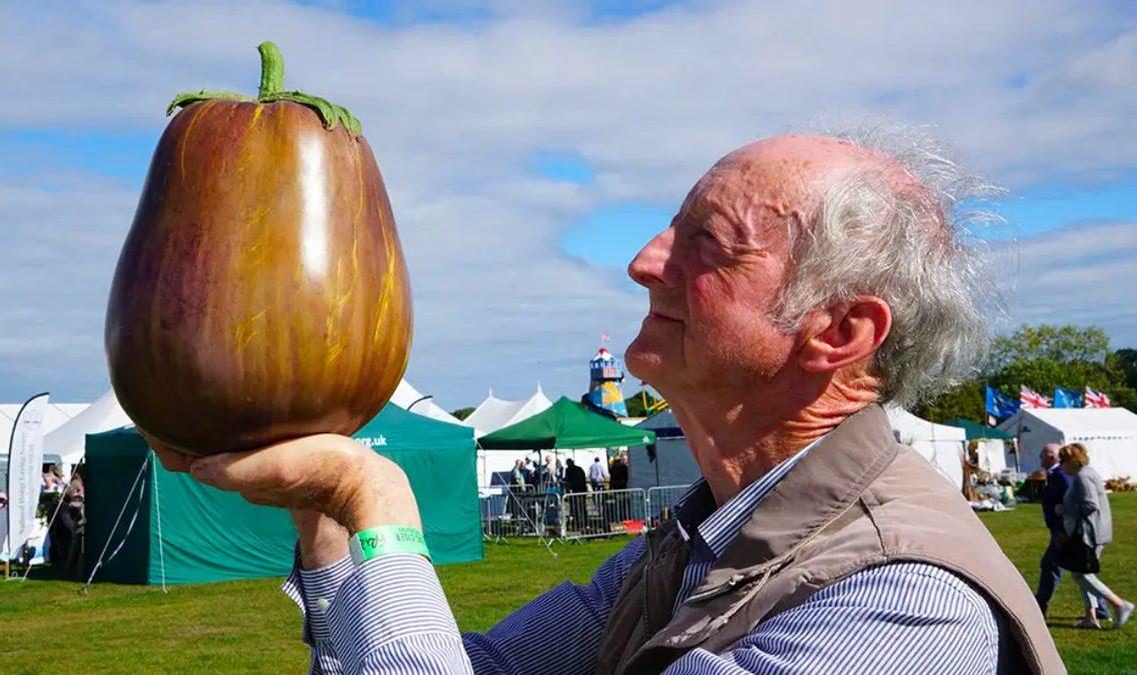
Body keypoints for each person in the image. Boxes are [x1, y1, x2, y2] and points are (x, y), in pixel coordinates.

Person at [146, 130, 1064, 673]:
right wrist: (327, 520)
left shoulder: (904, 609)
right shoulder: (699, 546)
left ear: (837, 333)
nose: (643, 261)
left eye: (708, 242)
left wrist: (375, 502)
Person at [1057, 443, 1134, 630]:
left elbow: (1091, 504)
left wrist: (1064, 509)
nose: (1061, 465)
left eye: (1063, 461)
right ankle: (1091, 617)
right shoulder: (1087, 473)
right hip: (1093, 531)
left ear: (1072, 461)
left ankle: (1120, 605)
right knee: (1081, 574)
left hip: (1090, 533)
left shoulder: (1083, 476)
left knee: (1082, 575)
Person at [1034, 443, 1108, 619]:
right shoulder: (1059, 474)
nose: (1040, 459)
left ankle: (1039, 606)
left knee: (1053, 567)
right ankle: (1100, 610)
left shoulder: (1062, 475)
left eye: (1041, 455)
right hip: (1064, 529)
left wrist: (1063, 515)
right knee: (1081, 572)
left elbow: (1081, 501)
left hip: (1066, 530)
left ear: (1050, 456)